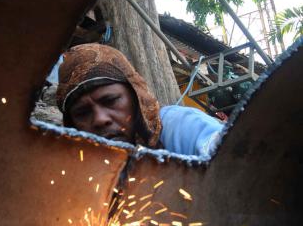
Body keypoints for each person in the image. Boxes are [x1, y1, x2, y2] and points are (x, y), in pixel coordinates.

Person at [55, 43, 224, 159]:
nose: (100, 119)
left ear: (136, 97)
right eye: (82, 113)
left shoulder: (178, 126)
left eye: (111, 100)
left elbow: (226, 154)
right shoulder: (84, 172)